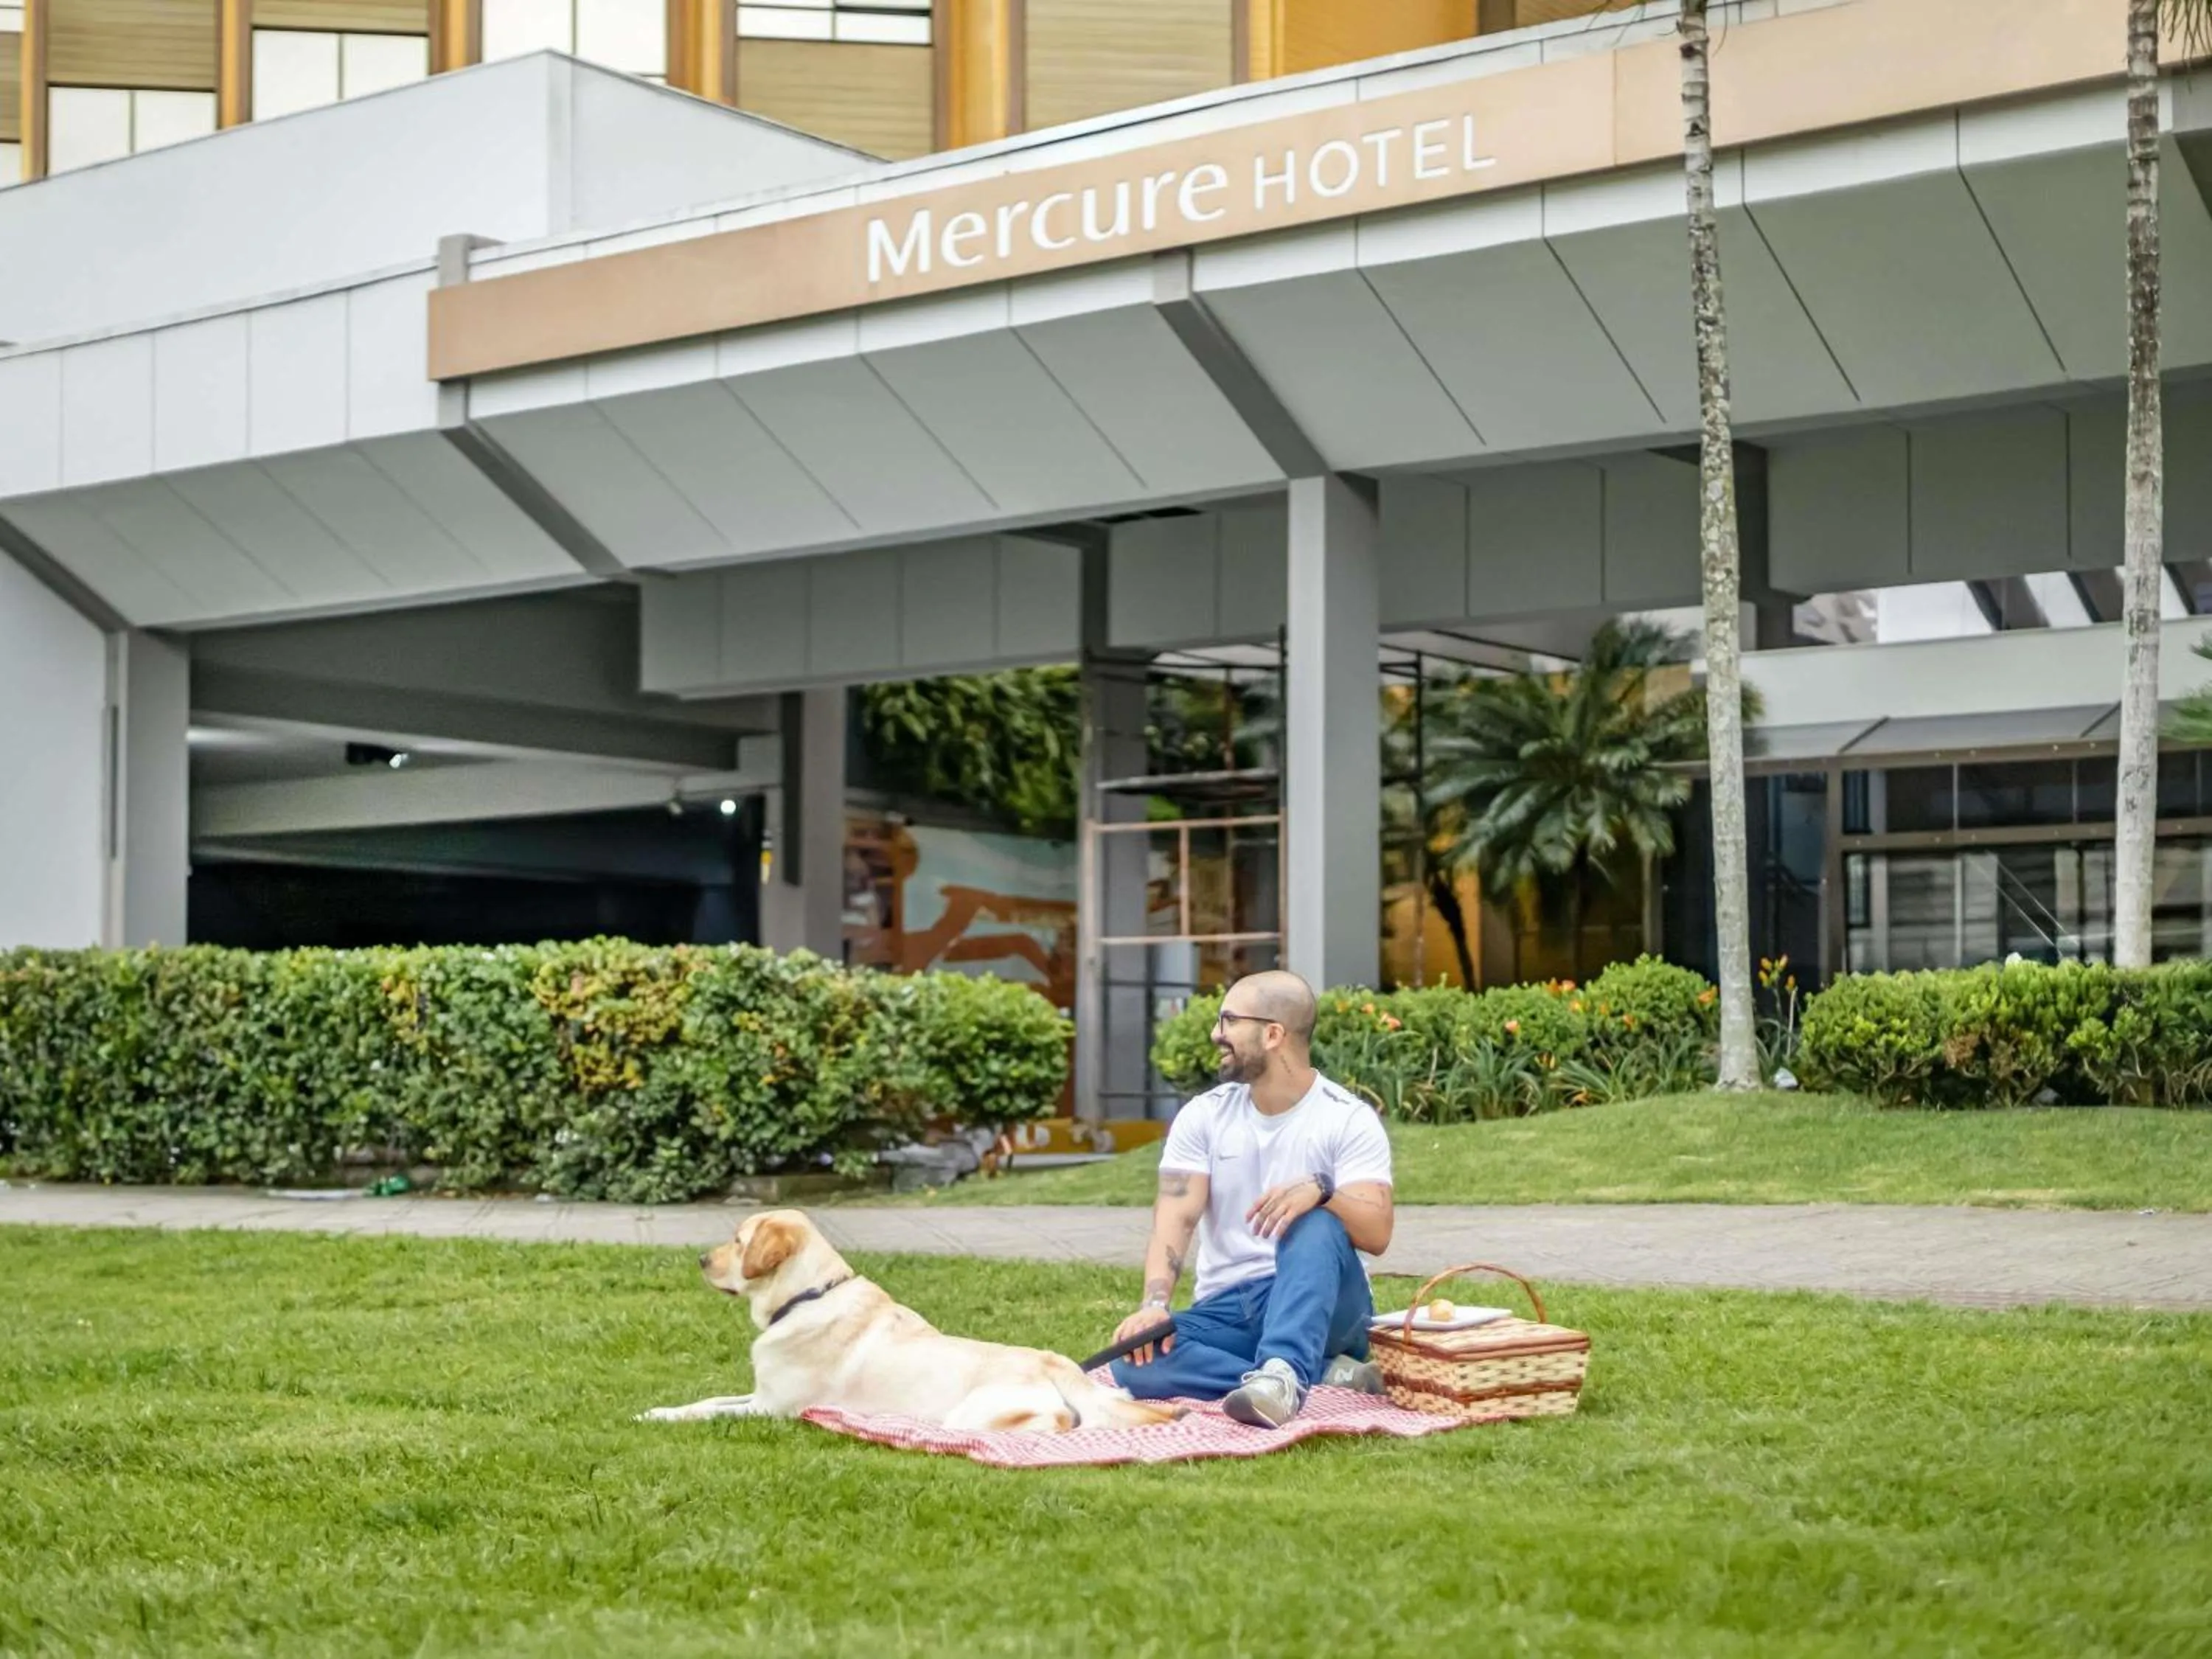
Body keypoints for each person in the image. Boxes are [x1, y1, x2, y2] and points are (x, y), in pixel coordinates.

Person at [1105, 969, 1394, 1427]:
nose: (1215, 1033)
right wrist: (1153, 1306)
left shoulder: (1347, 1119)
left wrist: (1323, 1193)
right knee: (1132, 1360)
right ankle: (1317, 1375)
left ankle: (1282, 1375)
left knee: (1314, 1221)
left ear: (1273, 1034)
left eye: (1229, 1021)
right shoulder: (1204, 1116)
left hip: (1324, 1302)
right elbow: (1176, 1217)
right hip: (1231, 1309)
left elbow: (1377, 1233)